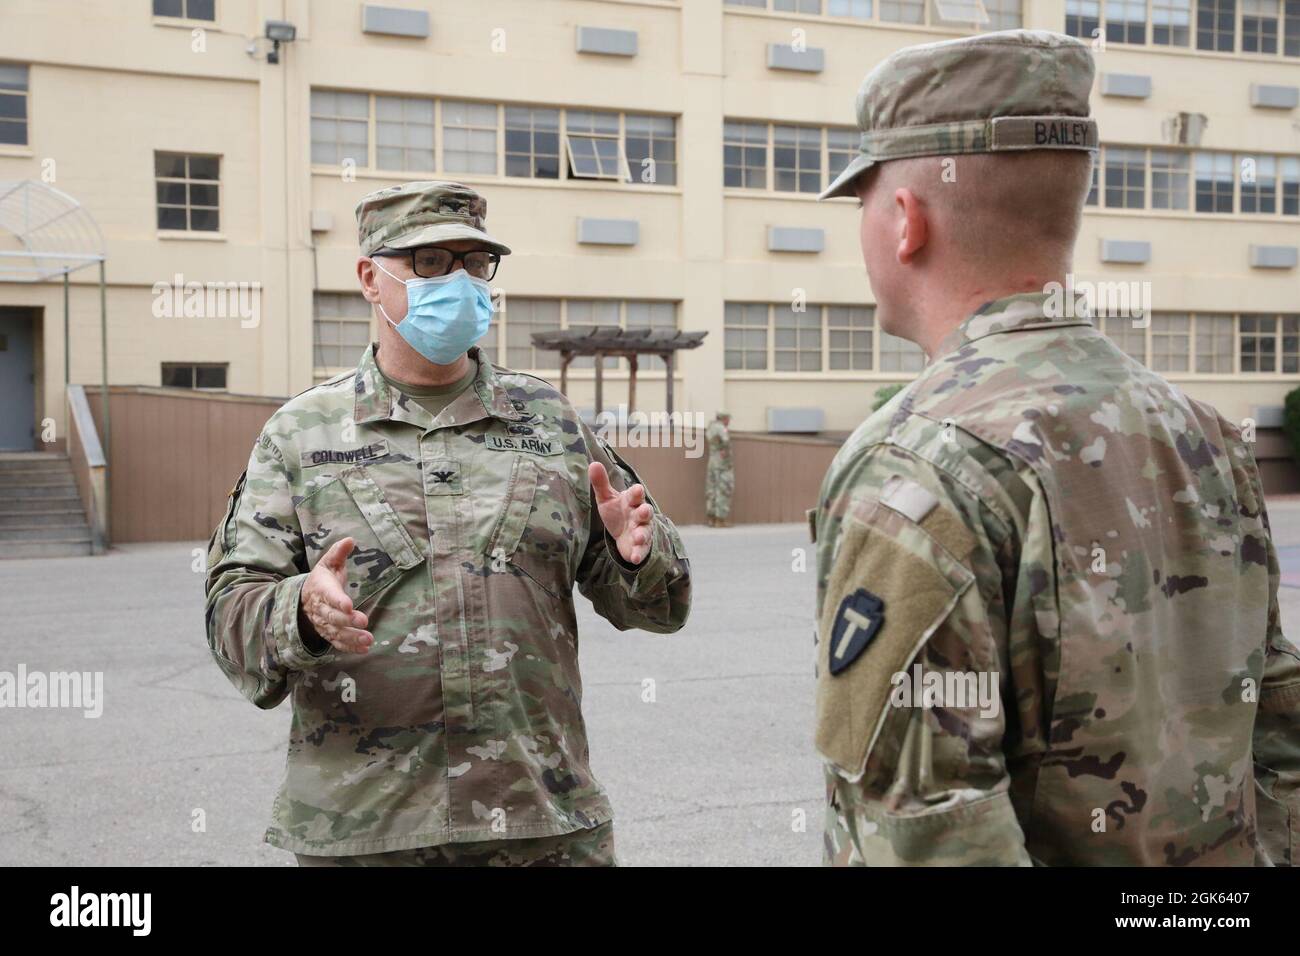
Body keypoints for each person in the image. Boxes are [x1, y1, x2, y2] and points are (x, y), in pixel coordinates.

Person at [811, 30, 1299, 866]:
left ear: (904, 221)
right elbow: (1279, 738)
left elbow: (931, 833)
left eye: (861, 197)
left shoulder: (920, 461)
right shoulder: (1207, 436)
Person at [204, 181, 692, 866]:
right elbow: (232, 620)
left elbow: (662, 607)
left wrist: (637, 560)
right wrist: (303, 612)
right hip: (369, 832)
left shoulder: (549, 423)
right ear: (371, 278)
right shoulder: (300, 435)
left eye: (474, 263)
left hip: (540, 823)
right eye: (431, 262)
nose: (459, 281)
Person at [705, 410, 734, 527]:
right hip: (722, 463)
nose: (729, 421)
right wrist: (724, 450)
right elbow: (725, 441)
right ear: (723, 418)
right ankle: (720, 519)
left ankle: (711, 519)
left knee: (711, 489)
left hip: (712, 461)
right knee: (724, 488)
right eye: (728, 419)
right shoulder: (722, 428)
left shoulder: (710, 427)